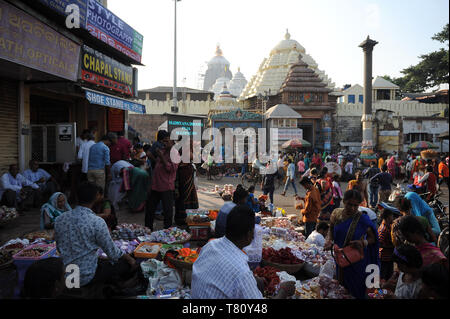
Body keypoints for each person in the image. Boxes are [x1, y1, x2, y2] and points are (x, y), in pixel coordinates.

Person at [191, 205, 295, 299]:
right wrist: (283, 291)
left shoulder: (210, 245)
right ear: (249, 234)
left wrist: (252, 280)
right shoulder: (241, 272)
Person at [54, 182, 137, 289]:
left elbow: (59, 248)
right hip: (86, 276)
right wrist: (130, 259)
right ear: (96, 197)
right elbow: (112, 252)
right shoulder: (96, 221)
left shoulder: (60, 219)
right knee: (124, 264)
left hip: (67, 273)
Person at [324, 189, 379, 299]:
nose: (352, 208)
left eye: (356, 205)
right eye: (349, 204)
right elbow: (331, 228)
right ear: (344, 201)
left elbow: (373, 238)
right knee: (340, 288)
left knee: (355, 290)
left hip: (355, 262)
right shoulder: (336, 213)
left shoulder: (362, 219)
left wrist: (363, 242)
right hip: (339, 258)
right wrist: (329, 240)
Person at [145, 131, 179, 230]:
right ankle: (148, 229)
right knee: (150, 210)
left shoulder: (175, 154)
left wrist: (161, 157)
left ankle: (167, 231)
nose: (164, 143)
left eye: (166, 141)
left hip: (166, 187)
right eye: (163, 141)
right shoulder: (162, 151)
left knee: (168, 211)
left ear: (172, 141)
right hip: (156, 186)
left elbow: (171, 169)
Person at [175, 144, 199, 225]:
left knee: (185, 196)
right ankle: (184, 218)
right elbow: (192, 157)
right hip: (184, 173)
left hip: (185, 172)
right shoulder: (185, 147)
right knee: (184, 196)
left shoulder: (181, 147)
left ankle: (184, 218)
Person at [378, 208, 395, 281]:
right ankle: (381, 291)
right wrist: (391, 246)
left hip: (389, 257)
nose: (393, 218)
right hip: (384, 257)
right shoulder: (383, 229)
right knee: (383, 277)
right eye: (392, 216)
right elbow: (379, 244)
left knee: (388, 276)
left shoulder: (388, 226)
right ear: (388, 217)